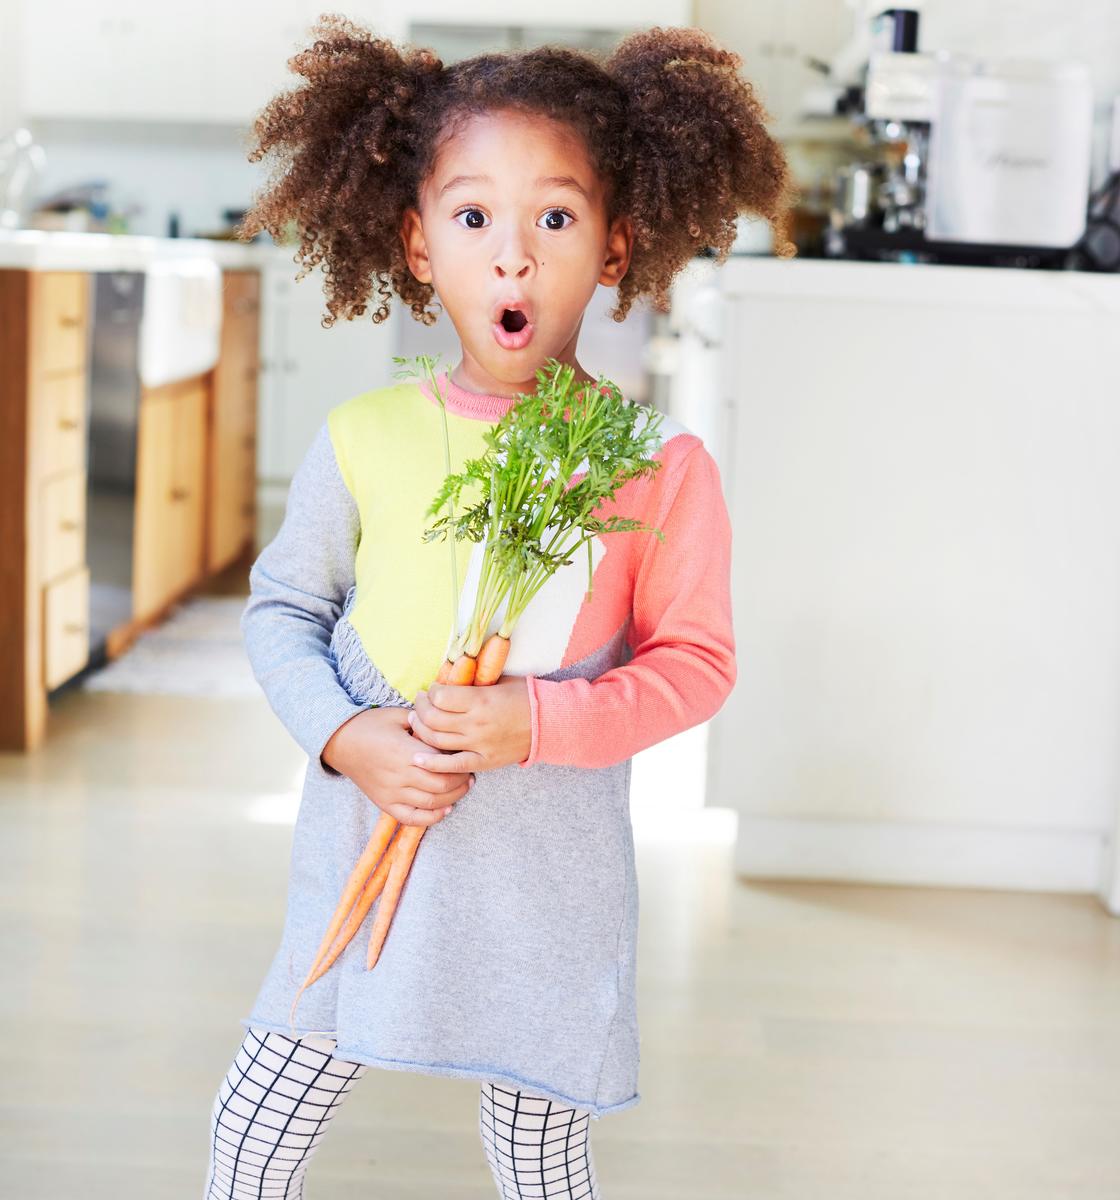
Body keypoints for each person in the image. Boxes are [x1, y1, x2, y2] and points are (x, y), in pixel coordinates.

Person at [203, 16, 793, 1199]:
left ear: (617, 249)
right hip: (368, 823)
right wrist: (346, 735)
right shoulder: (364, 436)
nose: (512, 257)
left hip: (544, 867)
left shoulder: (654, 461)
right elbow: (282, 612)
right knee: (265, 1108)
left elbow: (696, 663)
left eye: (556, 220)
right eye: (473, 219)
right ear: (416, 246)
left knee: (537, 1141)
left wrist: (540, 723)